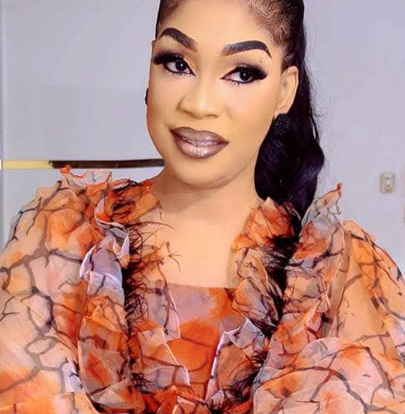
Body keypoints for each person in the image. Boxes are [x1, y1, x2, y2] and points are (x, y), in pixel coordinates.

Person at [0, 0, 404, 413]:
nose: (199, 103)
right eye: (177, 64)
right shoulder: (63, 236)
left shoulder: (337, 270)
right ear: (151, 65)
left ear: (285, 92)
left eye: (242, 73)